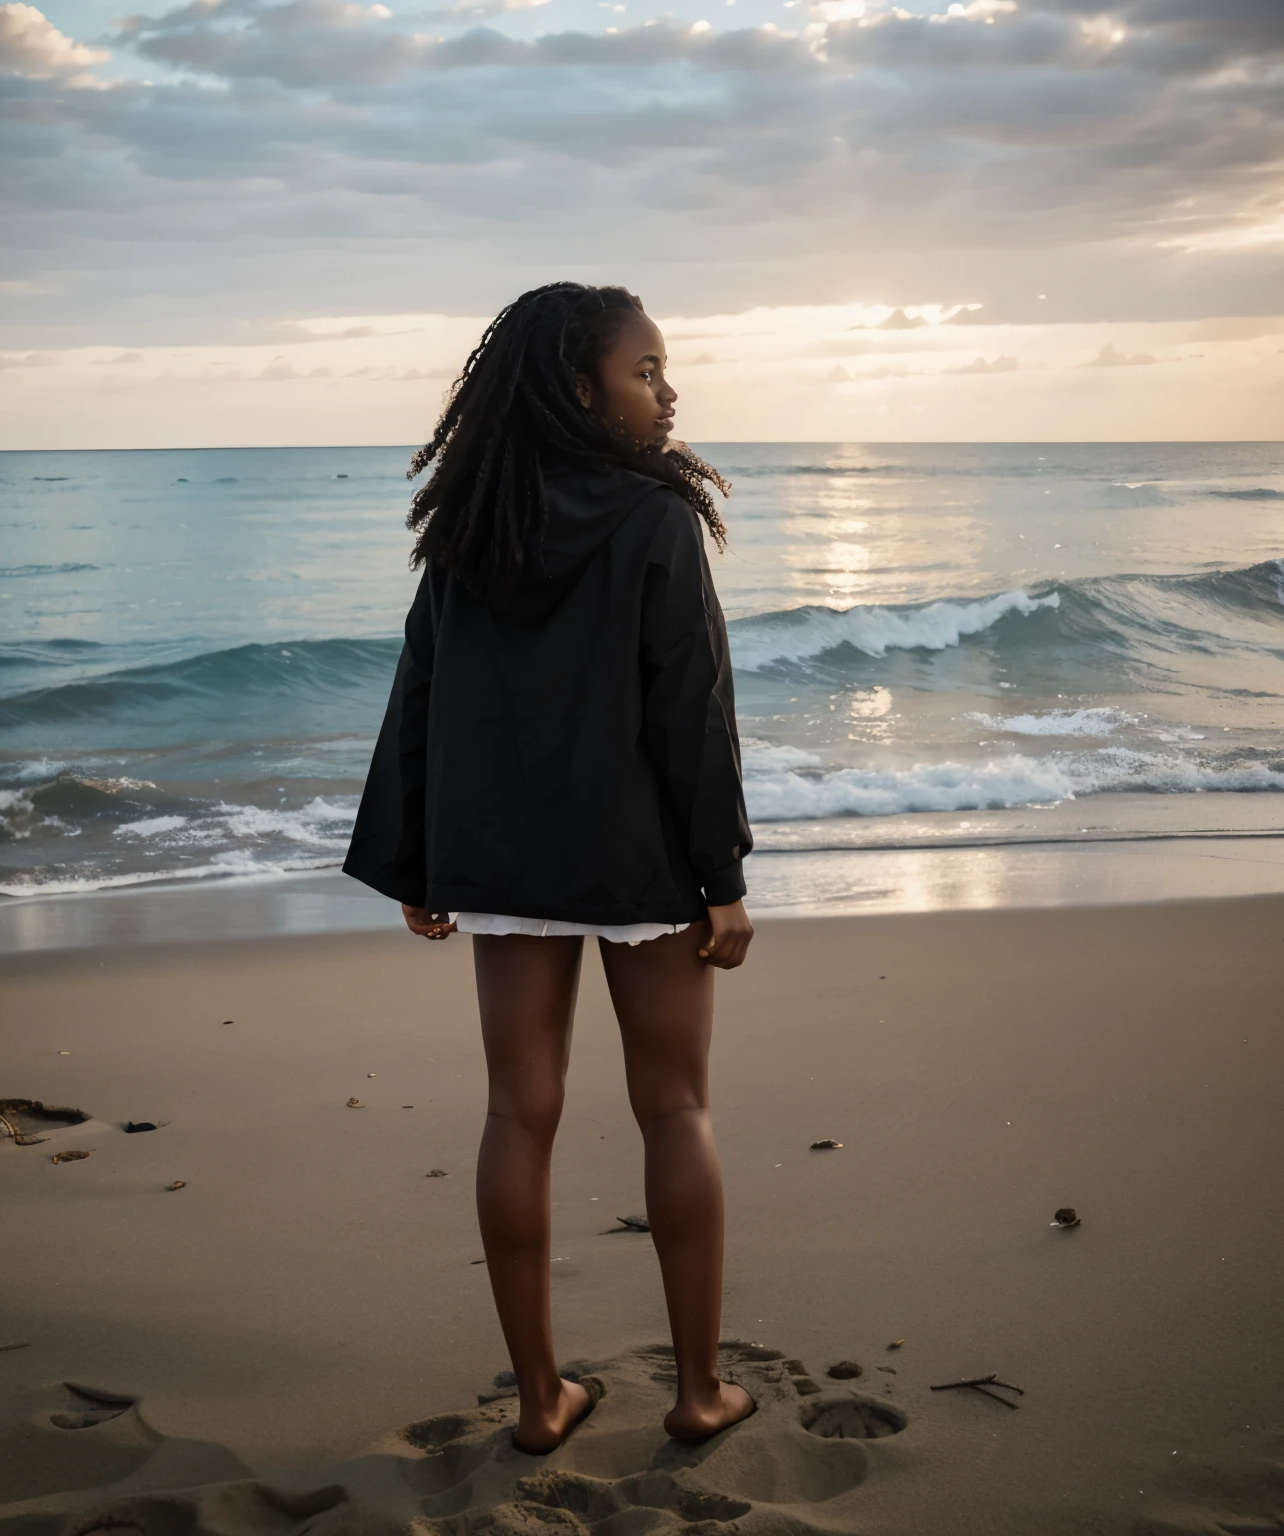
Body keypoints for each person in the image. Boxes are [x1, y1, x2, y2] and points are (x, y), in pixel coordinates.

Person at [344, 282, 756, 1455]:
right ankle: (699, 1392)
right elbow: (693, 714)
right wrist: (720, 875)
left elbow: (418, 698)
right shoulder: (655, 520)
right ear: (582, 387)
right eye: (646, 371)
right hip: (642, 866)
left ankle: (538, 1404)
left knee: (516, 1118)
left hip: (504, 862)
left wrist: (419, 859)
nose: (668, 392)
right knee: (673, 1105)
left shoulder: (477, 523)